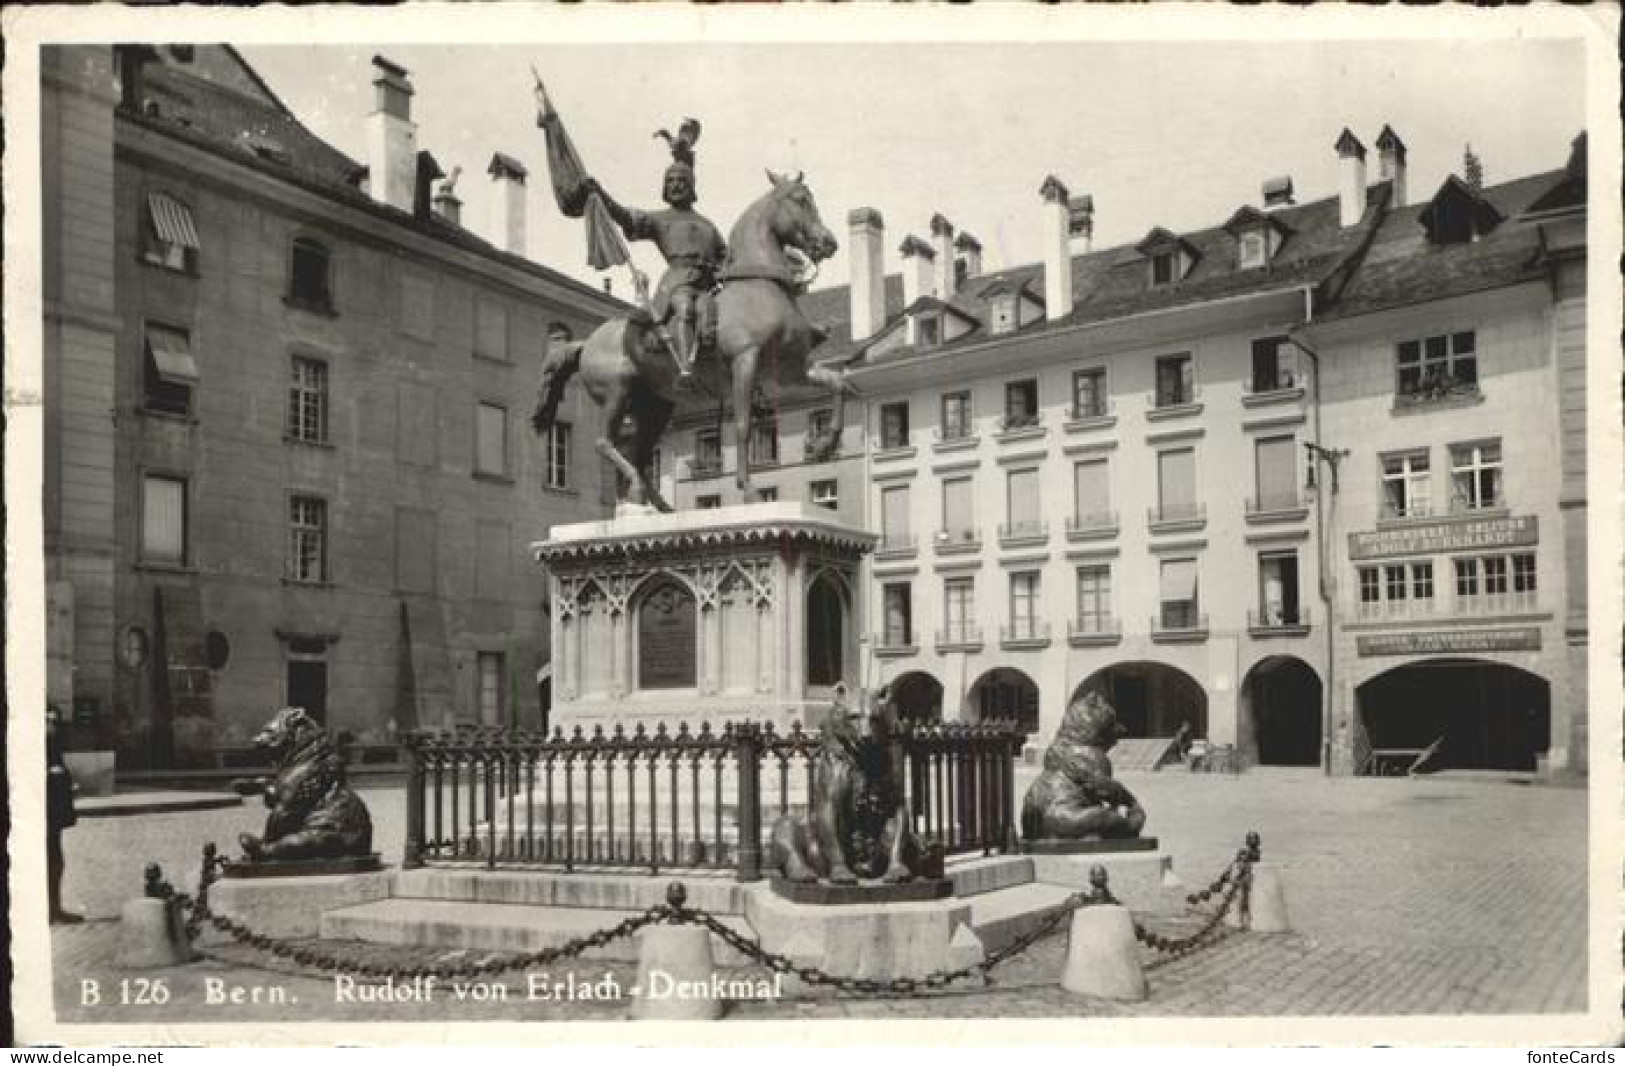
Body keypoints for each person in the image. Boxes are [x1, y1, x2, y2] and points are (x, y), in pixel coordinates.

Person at [586, 118, 727, 387]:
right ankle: (686, 369)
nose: (676, 185)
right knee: (685, 310)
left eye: (681, 181)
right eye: (671, 181)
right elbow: (627, 217)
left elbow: (726, 257)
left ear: (691, 186)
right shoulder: (660, 220)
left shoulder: (708, 225)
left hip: (709, 288)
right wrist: (602, 196)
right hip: (678, 284)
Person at [46, 705, 83, 924]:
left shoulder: (53, 740)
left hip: (54, 804)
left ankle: (54, 908)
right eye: (48, 721)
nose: (52, 726)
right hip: (40, 804)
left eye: (55, 722)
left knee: (55, 858)